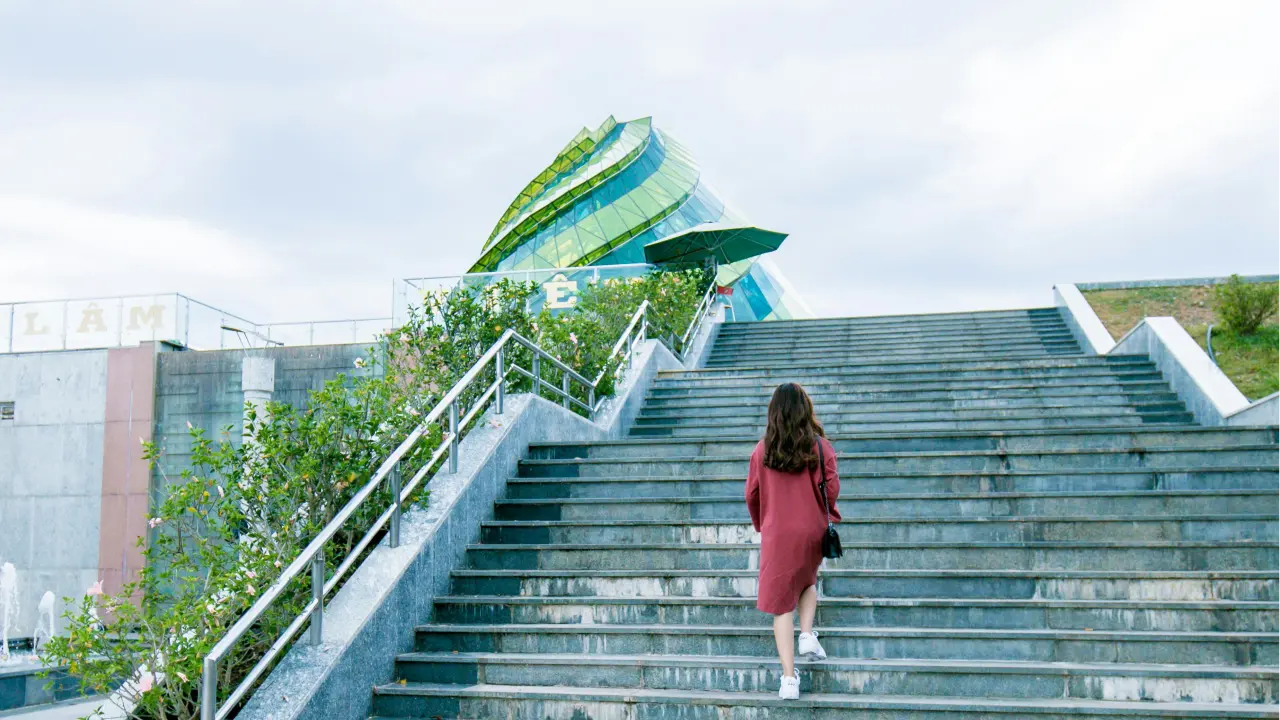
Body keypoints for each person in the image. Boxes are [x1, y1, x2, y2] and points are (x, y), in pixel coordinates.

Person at [745, 382, 841, 700]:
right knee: (807, 580)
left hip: (777, 531)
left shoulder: (762, 450)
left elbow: (752, 494)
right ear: (805, 410)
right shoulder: (820, 446)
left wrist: (762, 523)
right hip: (811, 527)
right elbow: (832, 489)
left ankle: (788, 679)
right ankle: (808, 634)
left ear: (774, 413)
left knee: (780, 604)